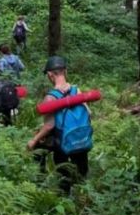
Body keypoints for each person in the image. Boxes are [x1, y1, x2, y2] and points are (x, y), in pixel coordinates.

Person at [27, 56, 92, 193]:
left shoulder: (51, 97)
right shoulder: (77, 90)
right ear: (65, 71)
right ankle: (83, 194)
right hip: (81, 138)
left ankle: (43, 183)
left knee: (40, 150)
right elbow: (89, 113)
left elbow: (50, 125)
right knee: (82, 171)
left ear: (50, 75)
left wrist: (34, 140)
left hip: (63, 143)